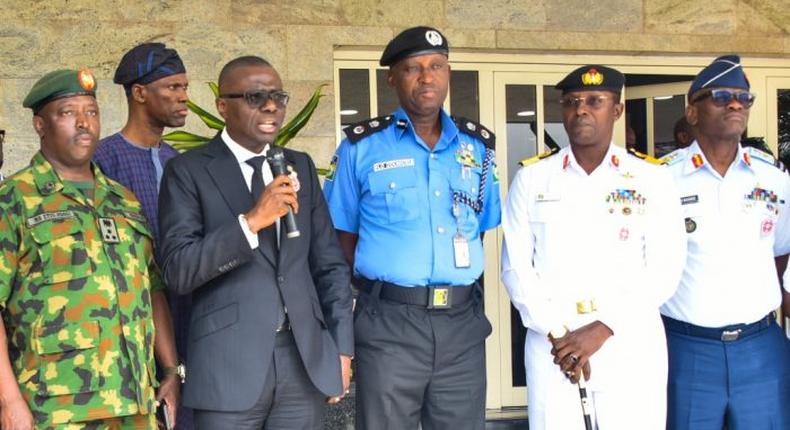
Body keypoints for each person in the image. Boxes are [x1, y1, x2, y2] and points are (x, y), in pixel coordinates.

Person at [158, 55, 353, 429]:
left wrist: (342, 350)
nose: (270, 106)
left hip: (302, 362)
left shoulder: (300, 167)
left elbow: (328, 265)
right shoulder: (187, 171)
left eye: (278, 97)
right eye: (254, 96)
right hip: (227, 368)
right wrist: (250, 223)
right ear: (222, 106)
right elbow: (179, 271)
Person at [323, 26, 500, 429]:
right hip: (389, 324)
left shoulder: (478, 150)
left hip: (461, 325)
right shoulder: (360, 147)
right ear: (392, 78)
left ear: (448, 73)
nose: (426, 77)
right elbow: (341, 241)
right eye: (413, 68)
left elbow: (479, 230)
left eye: (436, 66)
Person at [501, 65, 686, 429]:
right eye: (572, 102)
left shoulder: (652, 177)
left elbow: (666, 267)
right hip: (555, 349)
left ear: (616, 111)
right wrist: (560, 336)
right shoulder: (533, 178)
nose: (581, 109)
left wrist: (602, 328)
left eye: (595, 101)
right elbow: (517, 268)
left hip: (629, 342)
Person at [0, 68, 179, 429]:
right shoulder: (14, 200)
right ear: (39, 124)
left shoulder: (122, 200)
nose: (84, 123)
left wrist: (172, 370)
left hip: (135, 404)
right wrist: (9, 401)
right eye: (68, 113)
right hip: (56, 410)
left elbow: (153, 288)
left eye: (92, 112)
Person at [660, 54, 790, 429]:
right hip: (687, 349)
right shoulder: (662, 179)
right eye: (720, 96)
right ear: (693, 112)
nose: (735, 103)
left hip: (760, 347)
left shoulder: (774, 179)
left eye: (743, 97)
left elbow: (780, 255)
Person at [93, 42, 192, 428]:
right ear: (139, 93)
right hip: (127, 329)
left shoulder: (178, 163)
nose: (183, 97)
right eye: (172, 88)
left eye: (185, 87)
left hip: (184, 318)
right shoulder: (102, 161)